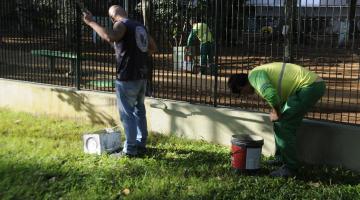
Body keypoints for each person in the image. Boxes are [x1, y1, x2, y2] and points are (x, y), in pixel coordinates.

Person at [83, 5, 157, 157]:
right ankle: (140, 144)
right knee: (139, 111)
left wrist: (91, 22)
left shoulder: (120, 24)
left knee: (127, 114)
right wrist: (137, 56)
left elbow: (110, 36)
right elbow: (153, 47)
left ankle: (130, 150)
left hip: (127, 77)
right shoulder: (139, 26)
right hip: (141, 77)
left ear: (112, 18)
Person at [228, 62, 326, 177]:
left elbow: (271, 95)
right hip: (308, 86)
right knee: (279, 123)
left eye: (242, 93)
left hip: (309, 87)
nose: (245, 95)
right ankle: (280, 158)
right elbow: (279, 95)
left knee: (284, 126)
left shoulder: (255, 77)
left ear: (241, 87)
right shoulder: (256, 75)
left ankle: (290, 168)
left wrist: (277, 112)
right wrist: (277, 112)